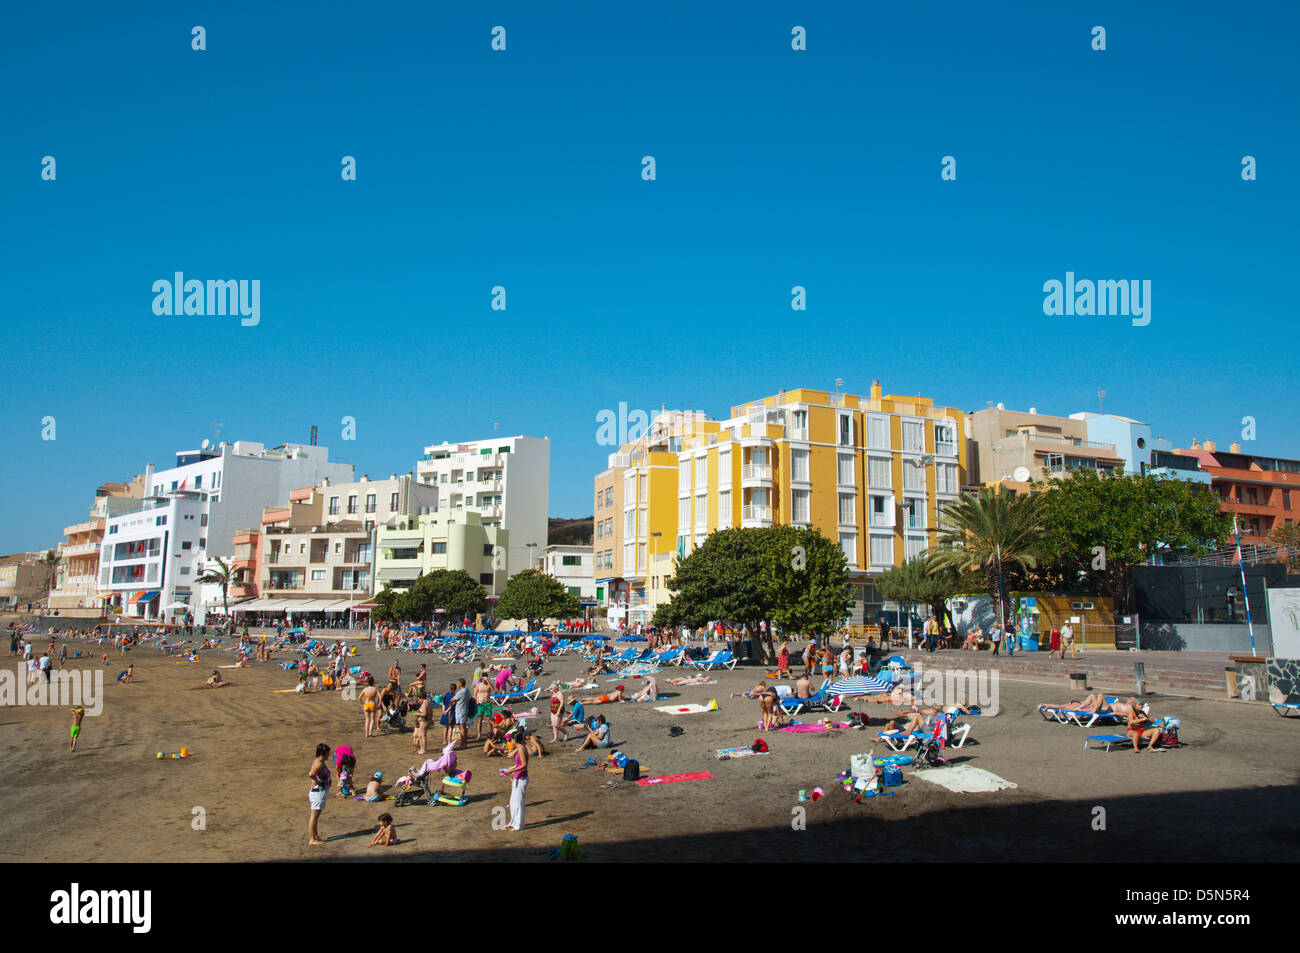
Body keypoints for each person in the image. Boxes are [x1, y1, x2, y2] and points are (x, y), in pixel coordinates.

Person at [502, 728, 530, 831]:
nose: (510, 741)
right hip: (517, 777)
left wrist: (511, 771)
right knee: (513, 802)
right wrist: (512, 768)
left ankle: (519, 825)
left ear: (515, 740)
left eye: (511, 739)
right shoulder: (519, 747)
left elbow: (524, 764)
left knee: (518, 803)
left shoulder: (521, 748)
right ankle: (513, 822)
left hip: (522, 779)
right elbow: (519, 763)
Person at [307, 743, 331, 845]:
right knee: (314, 816)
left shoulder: (320, 761)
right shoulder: (319, 764)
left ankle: (316, 836)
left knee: (316, 816)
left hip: (320, 792)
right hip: (318, 792)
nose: (328, 756)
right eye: (327, 754)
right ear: (323, 753)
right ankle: (311, 839)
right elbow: (311, 774)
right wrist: (317, 781)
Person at [413, 688, 432, 756]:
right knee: (421, 735)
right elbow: (431, 712)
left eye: (419, 699)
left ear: (420, 698)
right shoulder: (428, 702)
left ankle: (423, 749)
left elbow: (424, 714)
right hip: (427, 720)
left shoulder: (424, 703)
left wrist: (416, 714)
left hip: (424, 720)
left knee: (422, 736)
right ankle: (421, 749)